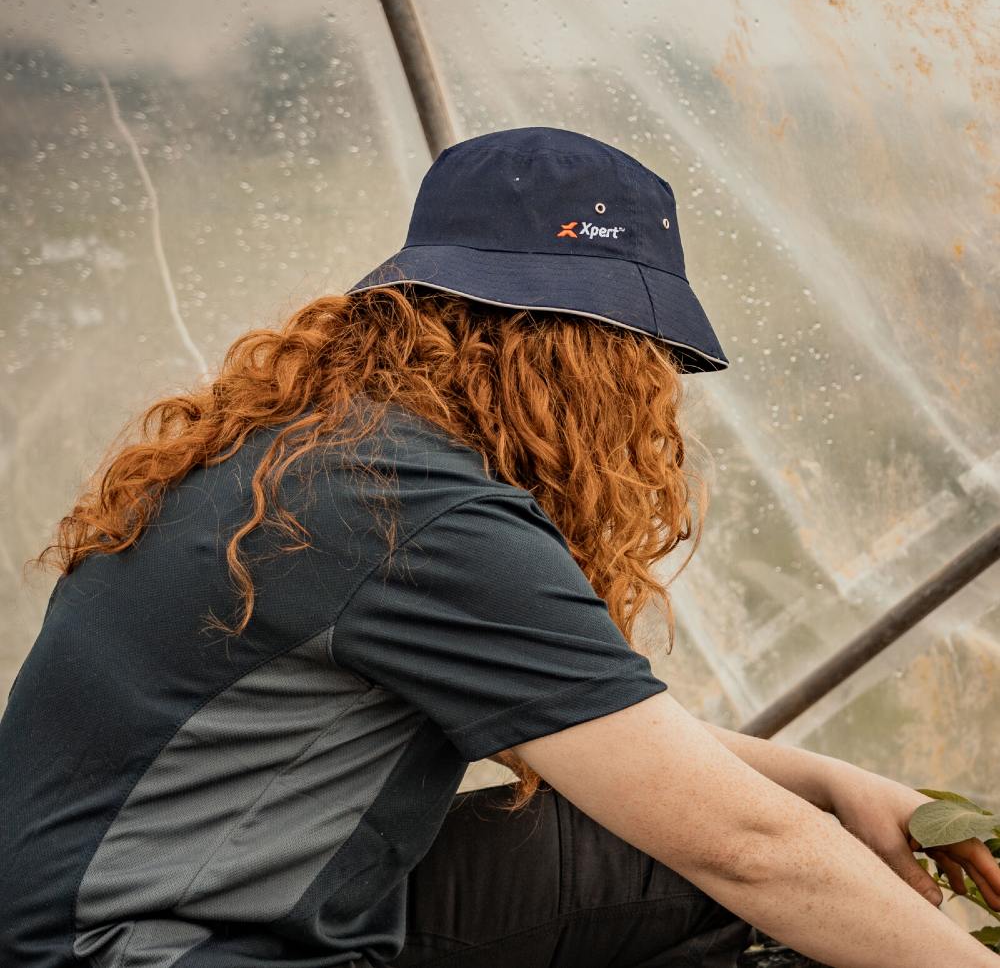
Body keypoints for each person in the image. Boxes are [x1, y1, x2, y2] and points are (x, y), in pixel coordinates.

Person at [1, 126, 997, 968]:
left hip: (122, 920)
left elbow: (605, 738)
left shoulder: (319, 453)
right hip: (151, 948)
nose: (653, 402)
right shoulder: (413, 509)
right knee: (751, 874)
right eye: (646, 361)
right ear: (579, 354)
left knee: (655, 852)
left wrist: (830, 782)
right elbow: (742, 844)